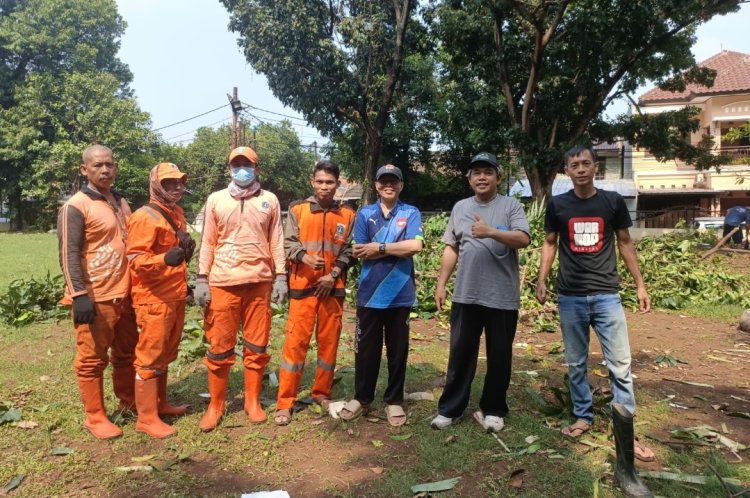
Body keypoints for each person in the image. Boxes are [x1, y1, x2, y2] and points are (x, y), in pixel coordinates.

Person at [536, 145, 653, 497]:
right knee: (575, 362)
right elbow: (550, 242)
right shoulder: (557, 205)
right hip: (569, 296)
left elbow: (625, 242)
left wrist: (640, 284)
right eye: (574, 165)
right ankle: (583, 417)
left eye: (586, 163)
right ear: (567, 170)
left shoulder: (612, 202)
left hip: (607, 296)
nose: (581, 169)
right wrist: (541, 278)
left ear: (595, 167)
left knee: (620, 365)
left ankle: (625, 428)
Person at [431, 152, 530, 433]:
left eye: (488, 172)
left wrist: (491, 232)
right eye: (476, 173)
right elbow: (452, 248)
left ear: (498, 177)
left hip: (501, 297)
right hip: (466, 295)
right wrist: (441, 284)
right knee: (460, 353)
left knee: (499, 355)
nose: (482, 177)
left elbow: (522, 238)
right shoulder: (460, 207)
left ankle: (494, 408)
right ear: (470, 179)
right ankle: (450, 409)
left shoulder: (510, 206)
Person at [195, 146, 287, 431]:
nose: (242, 169)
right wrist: (201, 278)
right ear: (229, 168)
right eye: (237, 164)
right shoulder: (216, 200)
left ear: (257, 168)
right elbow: (208, 240)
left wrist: (281, 276)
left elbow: (277, 240)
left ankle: (252, 401)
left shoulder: (269, 200)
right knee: (220, 347)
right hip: (223, 281)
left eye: (247, 164)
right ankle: (216, 405)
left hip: (259, 281)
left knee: (257, 346)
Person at [57, 144, 139, 440]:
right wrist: (79, 295)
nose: (105, 170)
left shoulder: (120, 201)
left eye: (110, 165)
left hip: (126, 293)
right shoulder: (75, 206)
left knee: (127, 353)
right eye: (98, 166)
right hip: (96, 295)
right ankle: (95, 417)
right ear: (84, 170)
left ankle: (129, 403)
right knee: (92, 358)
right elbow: (68, 253)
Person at [339, 164, 424, 427]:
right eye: (383, 181)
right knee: (366, 350)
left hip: (400, 294)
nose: (389, 185)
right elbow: (361, 251)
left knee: (398, 351)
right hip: (369, 294)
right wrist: (394, 248)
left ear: (401, 185)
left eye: (394, 181)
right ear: (376, 185)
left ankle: (394, 400)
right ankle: (362, 398)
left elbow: (415, 246)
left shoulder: (410, 212)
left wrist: (381, 247)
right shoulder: (365, 214)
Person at [273, 160, 356, 426]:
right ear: (312, 181)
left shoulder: (348, 215)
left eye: (329, 182)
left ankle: (322, 393)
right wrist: (305, 258)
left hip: (333, 289)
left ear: (338, 184)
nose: (324, 187)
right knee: (295, 346)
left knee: (329, 345)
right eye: (320, 181)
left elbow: (350, 250)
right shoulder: (297, 209)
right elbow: (288, 243)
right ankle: (285, 402)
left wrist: (332, 275)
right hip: (302, 289)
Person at [126, 163, 194, 438]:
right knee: (149, 357)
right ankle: (146, 418)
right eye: (169, 183)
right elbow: (135, 259)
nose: (176, 187)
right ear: (156, 185)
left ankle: (161, 404)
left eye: (179, 182)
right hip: (152, 298)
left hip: (174, 294)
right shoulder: (144, 217)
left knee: (166, 353)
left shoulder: (176, 212)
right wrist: (163, 259)